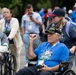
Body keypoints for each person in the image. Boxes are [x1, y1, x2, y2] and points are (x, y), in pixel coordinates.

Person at [0, 8, 23, 72]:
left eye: (7, 12)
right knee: (3, 56)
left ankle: (17, 71)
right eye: (4, 12)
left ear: (11, 14)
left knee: (15, 56)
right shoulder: (1, 21)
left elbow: (14, 29)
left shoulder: (14, 20)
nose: (6, 13)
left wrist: (10, 37)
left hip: (13, 41)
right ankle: (5, 70)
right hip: (4, 41)